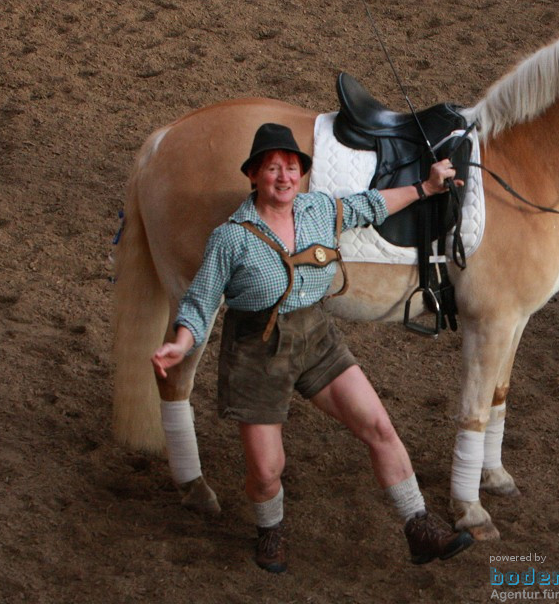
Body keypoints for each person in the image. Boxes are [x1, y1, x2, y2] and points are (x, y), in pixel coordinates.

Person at [152, 122, 473, 574]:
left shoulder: (319, 210)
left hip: (316, 338)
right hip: (257, 351)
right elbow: (201, 301)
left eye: (291, 168)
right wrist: (180, 344)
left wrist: (425, 187)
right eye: (272, 168)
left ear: (301, 175)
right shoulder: (231, 236)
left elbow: (372, 205)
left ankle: (419, 527)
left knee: (379, 425)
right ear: (254, 176)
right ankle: (270, 530)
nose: (283, 177)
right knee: (267, 471)